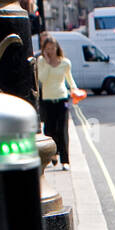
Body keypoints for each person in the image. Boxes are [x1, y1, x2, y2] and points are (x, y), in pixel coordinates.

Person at [36, 35, 78, 165]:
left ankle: (65, 160)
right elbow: (42, 79)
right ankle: (53, 154)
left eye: (53, 48)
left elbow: (69, 79)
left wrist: (74, 89)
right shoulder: (42, 61)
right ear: (44, 49)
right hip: (48, 99)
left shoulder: (65, 62)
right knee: (49, 129)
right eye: (48, 48)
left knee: (62, 129)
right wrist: (48, 63)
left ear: (57, 48)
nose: (51, 51)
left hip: (62, 98)